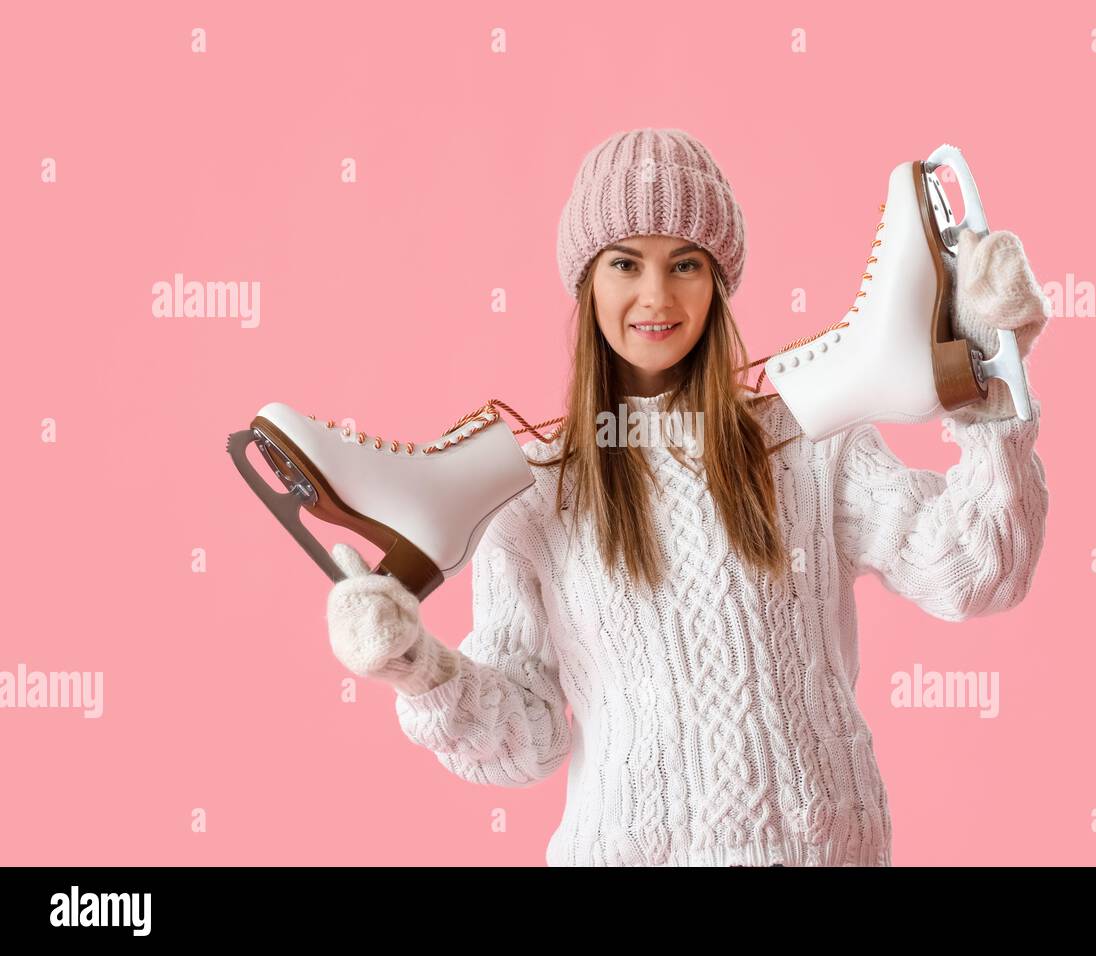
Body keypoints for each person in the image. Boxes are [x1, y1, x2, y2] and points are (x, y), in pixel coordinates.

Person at [325, 128, 1050, 867]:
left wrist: (993, 384)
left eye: (685, 264)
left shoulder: (806, 440)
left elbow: (975, 571)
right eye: (624, 263)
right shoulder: (532, 492)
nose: (656, 296)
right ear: (588, 282)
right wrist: (416, 668)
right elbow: (531, 739)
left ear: (718, 280)